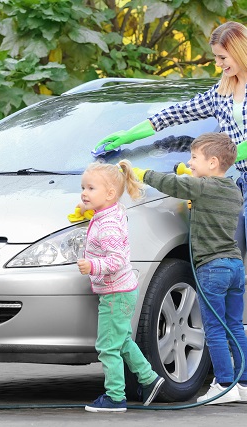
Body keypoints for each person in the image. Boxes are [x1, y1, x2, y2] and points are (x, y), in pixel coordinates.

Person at [93, 21, 247, 401]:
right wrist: (127, 136)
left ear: (239, 50)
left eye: (223, 57)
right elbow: (174, 114)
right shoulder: (220, 93)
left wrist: (218, 160)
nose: (219, 64)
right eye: (217, 59)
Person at [132, 132, 247, 404]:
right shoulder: (232, 191)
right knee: (234, 326)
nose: (189, 163)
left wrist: (142, 173)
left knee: (213, 328)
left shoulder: (202, 188)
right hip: (234, 266)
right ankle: (246, 384)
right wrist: (190, 177)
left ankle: (224, 384)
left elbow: (173, 184)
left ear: (212, 163)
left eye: (194, 158)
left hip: (212, 267)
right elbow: (196, 188)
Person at [76, 160, 165, 413]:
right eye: (83, 187)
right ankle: (149, 379)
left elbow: (116, 260)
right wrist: (86, 210)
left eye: (91, 188)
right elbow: (103, 218)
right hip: (122, 290)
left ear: (110, 194)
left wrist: (92, 266)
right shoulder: (111, 211)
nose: (84, 193)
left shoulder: (108, 224)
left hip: (115, 293)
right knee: (123, 339)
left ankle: (115, 397)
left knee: (107, 346)